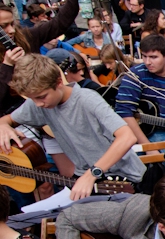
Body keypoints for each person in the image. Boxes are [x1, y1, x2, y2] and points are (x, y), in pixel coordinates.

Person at [0, 54, 144, 198]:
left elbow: (127, 137)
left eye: (42, 97)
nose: (38, 104)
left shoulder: (87, 99)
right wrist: (3, 126)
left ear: (58, 82)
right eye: (32, 99)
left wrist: (92, 174)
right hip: (89, 179)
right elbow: (7, 119)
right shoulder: (38, 103)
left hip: (125, 178)